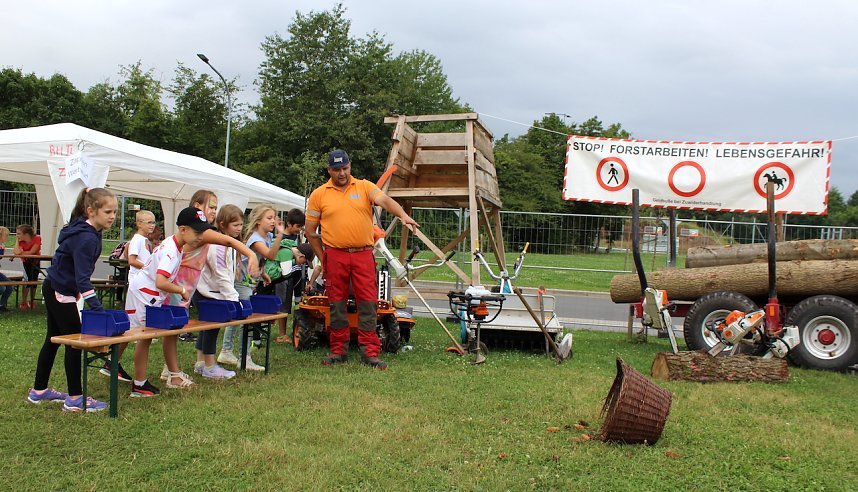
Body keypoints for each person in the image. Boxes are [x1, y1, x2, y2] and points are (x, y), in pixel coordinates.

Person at [127, 207, 260, 397]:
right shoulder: (172, 252)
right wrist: (181, 290)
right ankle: (139, 384)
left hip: (151, 292)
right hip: (147, 293)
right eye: (197, 232)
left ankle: (143, 379)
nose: (201, 237)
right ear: (183, 229)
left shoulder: (176, 245)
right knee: (143, 336)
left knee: (144, 336)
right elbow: (160, 281)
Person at [305, 149, 419, 369]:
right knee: (336, 304)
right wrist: (323, 258)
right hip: (334, 255)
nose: (341, 173)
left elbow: (384, 200)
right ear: (329, 170)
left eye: (345, 168)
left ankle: (370, 353)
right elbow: (310, 232)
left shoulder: (365, 187)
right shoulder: (319, 194)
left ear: (350, 166)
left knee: (368, 304)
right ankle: (338, 352)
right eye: (336, 170)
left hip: (363, 254)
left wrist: (403, 215)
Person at [27, 187, 117, 412]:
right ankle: (75, 398)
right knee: (74, 342)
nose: (113, 216)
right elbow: (83, 281)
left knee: (53, 338)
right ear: (91, 211)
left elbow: (78, 279)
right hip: (59, 290)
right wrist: (98, 309)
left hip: (56, 286)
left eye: (115, 211)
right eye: (108, 211)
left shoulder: (81, 226)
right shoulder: (85, 238)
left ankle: (39, 391)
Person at [97, 210, 156, 382]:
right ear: (139, 224)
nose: (152, 225)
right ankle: (111, 362)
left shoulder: (145, 240)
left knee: (132, 326)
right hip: (138, 289)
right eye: (148, 222)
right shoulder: (137, 240)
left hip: (142, 287)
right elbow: (131, 260)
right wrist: (149, 267)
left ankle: (112, 361)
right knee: (134, 327)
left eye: (153, 222)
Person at [192, 204, 244, 379]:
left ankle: (200, 363)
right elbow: (221, 274)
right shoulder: (219, 245)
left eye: (241, 225)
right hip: (209, 293)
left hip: (210, 291)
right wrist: (234, 299)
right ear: (223, 224)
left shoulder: (224, 243)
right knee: (212, 329)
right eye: (235, 225)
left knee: (206, 328)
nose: (239, 228)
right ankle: (209, 366)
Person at [177, 191, 220, 343]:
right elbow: (228, 241)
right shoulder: (202, 233)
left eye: (216, 208)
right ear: (197, 206)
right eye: (211, 207)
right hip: (176, 286)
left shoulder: (204, 232)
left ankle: (170, 368)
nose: (214, 211)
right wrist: (250, 254)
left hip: (187, 287)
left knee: (172, 332)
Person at [266, 208, 306, 343]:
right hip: (283, 276)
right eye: (298, 226)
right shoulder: (280, 238)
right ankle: (281, 334)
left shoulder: (298, 237)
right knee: (283, 303)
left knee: (296, 303)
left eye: (301, 227)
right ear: (289, 224)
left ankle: (297, 328)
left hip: (296, 274)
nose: (299, 229)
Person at [13, 223, 41, 310]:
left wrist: (21, 253)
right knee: (27, 279)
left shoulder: (37, 238)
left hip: (35, 262)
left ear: (26, 234)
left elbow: (33, 251)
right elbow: (16, 252)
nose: (17, 235)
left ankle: (32, 301)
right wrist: (17, 241)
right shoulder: (20, 241)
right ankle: (23, 301)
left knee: (34, 280)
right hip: (25, 261)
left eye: (18, 233)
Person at [0, 226, 13, 312]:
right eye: (6, 235)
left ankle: (1, 305)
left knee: (9, 286)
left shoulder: (1, 246)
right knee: (2, 288)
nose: (7, 237)